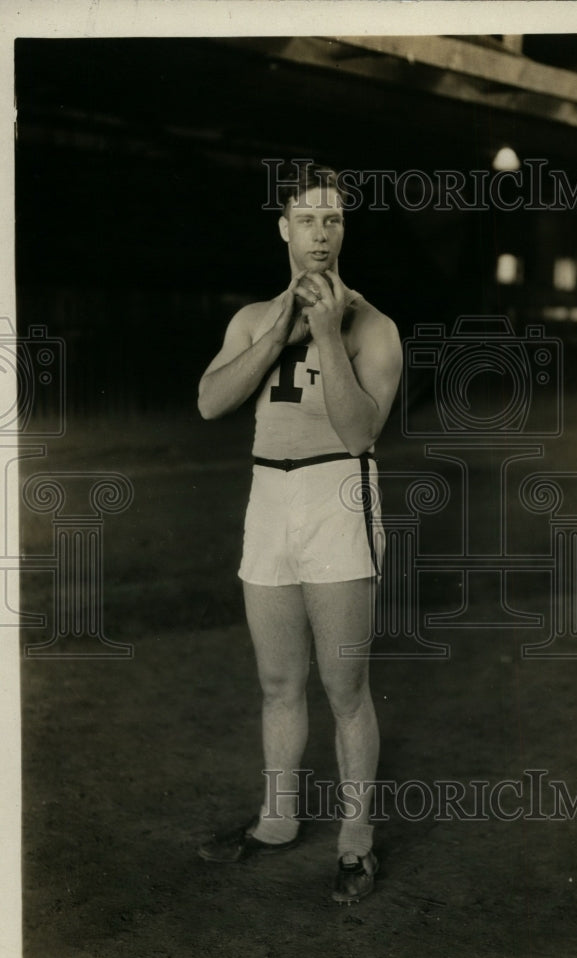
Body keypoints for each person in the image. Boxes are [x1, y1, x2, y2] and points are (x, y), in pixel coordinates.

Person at [196, 162, 402, 903]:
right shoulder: (252, 317)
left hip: (336, 495)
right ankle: (277, 822)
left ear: (345, 230)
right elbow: (212, 402)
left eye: (334, 219)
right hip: (268, 499)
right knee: (278, 683)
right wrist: (282, 327)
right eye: (308, 218)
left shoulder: (373, 325)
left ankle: (356, 842)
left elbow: (357, 432)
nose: (322, 232)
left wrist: (325, 332)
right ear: (284, 227)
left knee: (345, 688)